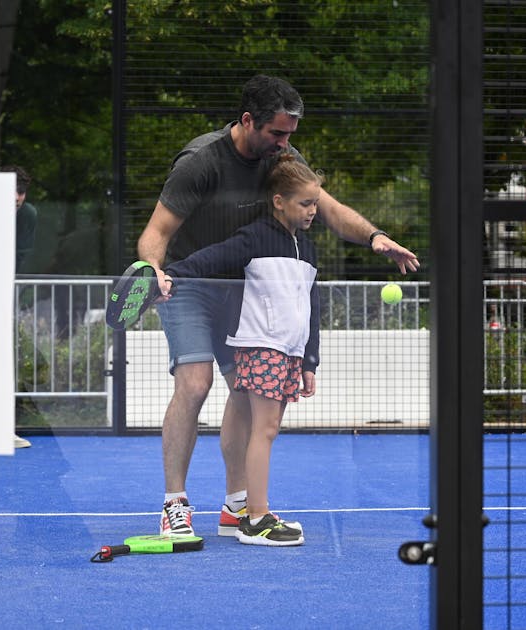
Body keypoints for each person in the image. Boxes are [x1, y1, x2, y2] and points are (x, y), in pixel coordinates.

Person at [137, 74, 420, 537]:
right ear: (248, 121)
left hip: (243, 291)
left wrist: (375, 237)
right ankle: (175, 502)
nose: (286, 144)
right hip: (187, 284)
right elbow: (158, 232)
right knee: (195, 382)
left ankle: (236, 505)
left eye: (290, 134)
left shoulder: (282, 159)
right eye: (277, 133)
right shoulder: (201, 162)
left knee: (246, 396)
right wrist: (154, 269)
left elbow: (326, 206)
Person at [163, 154, 321, 545]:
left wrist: (310, 360)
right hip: (261, 346)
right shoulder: (255, 236)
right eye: (305, 203)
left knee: (263, 427)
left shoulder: (308, 248)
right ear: (279, 201)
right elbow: (209, 259)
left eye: (315, 203)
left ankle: (240, 510)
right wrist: (168, 275)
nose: (313, 211)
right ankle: (257, 517)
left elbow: (310, 305)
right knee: (264, 431)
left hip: (289, 351)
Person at [2, 164, 37, 449]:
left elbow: (22, 260)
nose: (16, 197)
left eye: (21, 191)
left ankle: (5, 429)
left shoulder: (28, 216)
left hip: (7, 296)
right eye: (10, 191)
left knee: (5, 360)